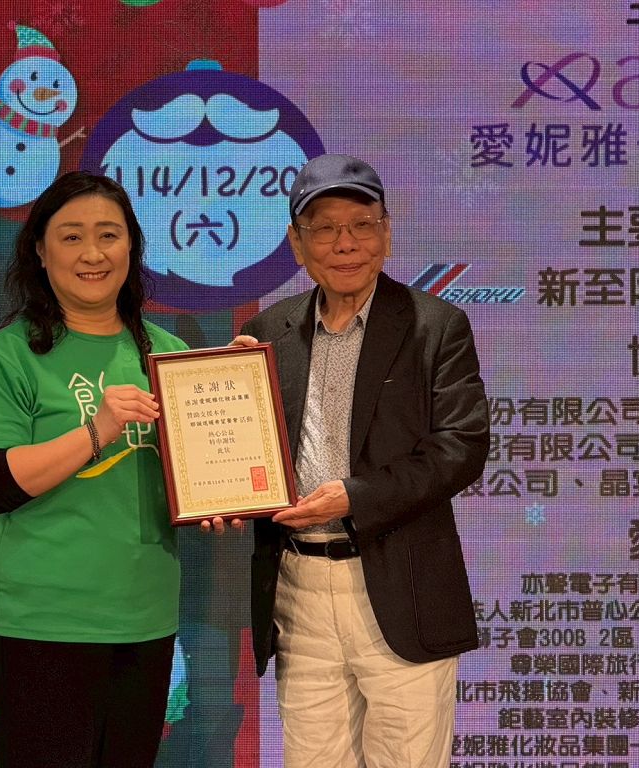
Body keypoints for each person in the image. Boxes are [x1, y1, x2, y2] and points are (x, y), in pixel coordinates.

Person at [238, 154, 489, 768]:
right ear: (296, 244)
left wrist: (355, 496)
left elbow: (460, 447)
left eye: (362, 224)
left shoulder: (435, 325)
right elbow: (246, 452)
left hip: (400, 583)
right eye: (324, 228)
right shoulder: (268, 331)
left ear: (387, 232)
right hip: (297, 587)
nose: (344, 243)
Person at [0, 171, 188, 768]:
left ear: (132, 246)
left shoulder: (170, 355)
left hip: (144, 616)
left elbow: (198, 478)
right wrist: (97, 429)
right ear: (39, 250)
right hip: (41, 621)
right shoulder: (8, 355)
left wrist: (225, 497)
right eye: (71, 237)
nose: (93, 254)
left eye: (109, 235)